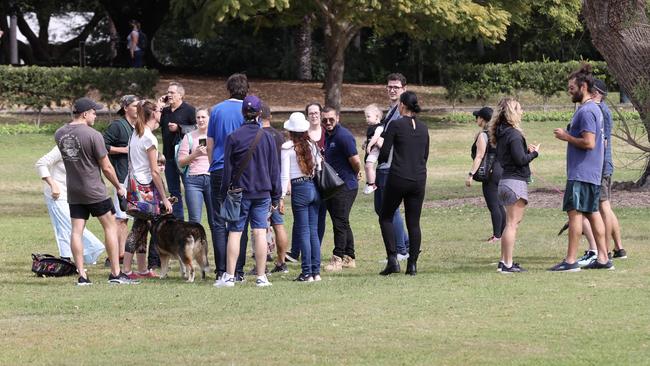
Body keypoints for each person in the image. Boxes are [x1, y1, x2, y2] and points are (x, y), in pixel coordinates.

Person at [54, 97, 135, 285]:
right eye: (93, 112)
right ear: (84, 114)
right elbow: (106, 167)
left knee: (76, 231)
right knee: (110, 226)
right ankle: (116, 273)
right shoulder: (93, 135)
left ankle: (82, 275)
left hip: (74, 190)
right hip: (94, 189)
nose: (95, 115)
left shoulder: (59, 133)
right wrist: (118, 186)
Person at [550, 64, 614, 271]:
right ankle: (603, 258)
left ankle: (570, 261)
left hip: (582, 173)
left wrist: (565, 137)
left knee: (575, 213)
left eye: (571, 88)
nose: (569, 92)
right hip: (592, 173)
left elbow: (589, 143)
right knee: (592, 213)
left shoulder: (587, 111)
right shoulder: (594, 109)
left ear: (583, 86)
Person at [214, 95, 281, 288]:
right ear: (260, 114)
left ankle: (229, 276)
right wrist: (276, 195)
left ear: (243, 112)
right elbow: (274, 169)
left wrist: (223, 192)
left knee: (235, 232)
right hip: (262, 192)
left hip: (239, 192)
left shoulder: (233, 137)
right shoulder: (267, 137)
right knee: (260, 232)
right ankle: (261, 276)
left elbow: (227, 170)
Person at [576, 79, 627, 266]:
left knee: (602, 207)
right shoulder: (599, 109)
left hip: (600, 166)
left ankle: (604, 251)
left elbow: (599, 142)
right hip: (603, 165)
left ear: (595, 92)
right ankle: (618, 248)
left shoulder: (598, 110)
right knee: (606, 206)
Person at [378, 91, 429, 276]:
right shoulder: (424, 128)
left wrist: (377, 156)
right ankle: (412, 265)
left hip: (399, 176)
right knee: (413, 222)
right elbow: (425, 155)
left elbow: (384, 154)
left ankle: (393, 259)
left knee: (385, 216)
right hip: (419, 178)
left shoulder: (396, 125)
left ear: (402, 106)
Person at [123, 100, 173, 279]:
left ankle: (142, 269)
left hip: (134, 184)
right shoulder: (149, 137)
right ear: (153, 114)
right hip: (144, 187)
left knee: (142, 225)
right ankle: (127, 270)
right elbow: (154, 171)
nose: (162, 113)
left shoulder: (136, 133)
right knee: (138, 228)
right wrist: (165, 197)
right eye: (159, 110)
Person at [489, 98, 539, 274]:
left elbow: (513, 156)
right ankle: (507, 264)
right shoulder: (514, 134)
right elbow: (520, 160)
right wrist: (534, 154)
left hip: (505, 182)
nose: (522, 111)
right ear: (511, 112)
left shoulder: (502, 134)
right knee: (512, 225)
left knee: (509, 224)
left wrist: (526, 152)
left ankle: (504, 261)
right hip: (514, 183)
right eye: (519, 108)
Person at [207, 73, 250, 280]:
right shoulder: (248, 110)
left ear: (228, 89)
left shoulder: (216, 110)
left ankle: (221, 269)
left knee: (218, 221)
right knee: (240, 221)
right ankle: (238, 270)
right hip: (242, 171)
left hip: (218, 168)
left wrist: (212, 162)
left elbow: (210, 142)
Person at [35, 146, 105, 264]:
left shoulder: (87, 148)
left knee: (69, 226)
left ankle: (69, 258)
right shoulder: (63, 147)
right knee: (65, 224)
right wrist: (53, 185)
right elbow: (41, 163)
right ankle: (70, 256)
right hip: (57, 194)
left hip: (73, 194)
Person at [281, 112, 323, 282]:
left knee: (304, 231)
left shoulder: (287, 148)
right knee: (313, 231)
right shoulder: (312, 145)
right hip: (314, 187)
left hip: (299, 188)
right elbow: (319, 166)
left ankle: (306, 272)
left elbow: (284, 176)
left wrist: (281, 196)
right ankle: (316, 271)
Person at [322, 107, 362, 272]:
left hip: (345, 186)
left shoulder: (343, 136)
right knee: (343, 221)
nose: (328, 123)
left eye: (331, 119)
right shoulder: (328, 135)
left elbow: (355, 160)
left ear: (337, 118)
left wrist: (355, 173)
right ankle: (349, 257)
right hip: (334, 185)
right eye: (325, 120)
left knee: (339, 222)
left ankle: (337, 258)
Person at [375, 73, 410, 261]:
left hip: (391, 166)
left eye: (396, 87)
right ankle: (405, 244)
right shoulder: (391, 110)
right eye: (389, 86)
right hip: (383, 165)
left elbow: (398, 140)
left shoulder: (401, 112)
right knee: (381, 208)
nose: (392, 90)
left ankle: (400, 250)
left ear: (404, 89)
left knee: (390, 209)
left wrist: (379, 142)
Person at [103, 94, 139, 266]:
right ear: (126, 108)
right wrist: (123, 150)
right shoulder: (117, 126)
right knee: (121, 217)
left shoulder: (136, 127)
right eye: (135, 106)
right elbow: (101, 146)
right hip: (121, 178)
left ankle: (123, 254)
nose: (138, 109)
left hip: (134, 178)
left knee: (127, 218)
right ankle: (115, 256)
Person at [465, 106, 506, 243]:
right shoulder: (499, 132)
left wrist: (471, 174)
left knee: (493, 205)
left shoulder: (484, 135)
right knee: (499, 204)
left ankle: (497, 236)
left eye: (477, 117)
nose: (476, 119)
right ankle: (504, 233)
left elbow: (479, 156)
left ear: (482, 119)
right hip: (501, 170)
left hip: (490, 173)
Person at [159, 81, 196, 220]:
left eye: (172, 92)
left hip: (185, 158)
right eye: (168, 92)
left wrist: (179, 128)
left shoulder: (189, 110)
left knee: (190, 190)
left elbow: (198, 129)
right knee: (174, 191)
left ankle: (193, 221)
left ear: (180, 95)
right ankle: (178, 221)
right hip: (168, 157)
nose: (169, 95)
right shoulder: (165, 111)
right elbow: (155, 123)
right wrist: (159, 106)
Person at [260, 104, 290, 274]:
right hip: (277, 184)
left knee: (260, 227)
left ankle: (262, 264)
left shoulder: (258, 135)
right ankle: (281, 262)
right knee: (279, 224)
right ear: (270, 116)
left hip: (263, 185)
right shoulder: (279, 136)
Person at [177, 107, 214, 228]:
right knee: (194, 221)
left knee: (215, 221)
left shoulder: (215, 136)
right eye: (198, 117)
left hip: (212, 179)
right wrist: (195, 154)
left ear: (209, 118)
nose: (200, 120)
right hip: (193, 181)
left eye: (203, 117)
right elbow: (181, 162)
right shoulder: (189, 137)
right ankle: (195, 247)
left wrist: (209, 152)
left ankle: (219, 248)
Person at [362, 104, 383, 194]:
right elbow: (369, 137)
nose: (367, 119)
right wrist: (365, 143)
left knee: (369, 165)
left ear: (377, 117)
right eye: (366, 117)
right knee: (366, 166)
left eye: (368, 116)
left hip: (375, 150)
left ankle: (372, 184)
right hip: (371, 149)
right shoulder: (371, 127)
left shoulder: (379, 127)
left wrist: (370, 145)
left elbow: (375, 137)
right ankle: (369, 182)